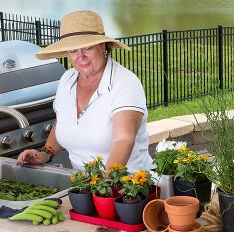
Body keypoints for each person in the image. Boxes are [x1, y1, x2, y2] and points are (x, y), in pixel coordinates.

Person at [16, 10, 153, 174]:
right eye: (73, 51)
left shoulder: (125, 83)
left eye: (87, 48)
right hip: (83, 185)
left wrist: (103, 183)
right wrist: (45, 153)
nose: (80, 56)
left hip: (130, 185)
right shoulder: (67, 79)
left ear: (103, 45)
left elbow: (124, 140)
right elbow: (63, 122)